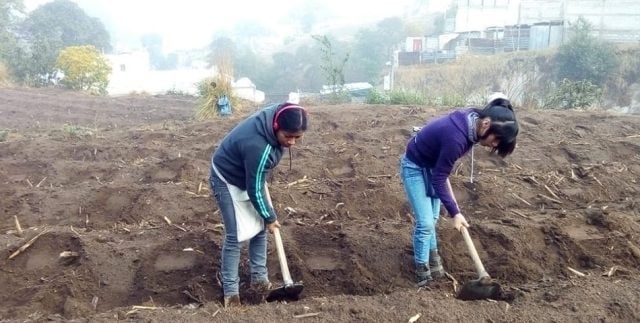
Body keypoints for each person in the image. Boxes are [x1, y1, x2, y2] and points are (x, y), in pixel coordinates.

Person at [400, 93, 518, 287]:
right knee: (426, 223)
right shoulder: (457, 138)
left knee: (434, 220)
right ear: (487, 124)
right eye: (497, 140)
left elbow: (441, 174)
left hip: (432, 166)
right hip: (414, 167)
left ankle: (434, 260)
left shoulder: (473, 122)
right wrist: (455, 212)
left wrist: (455, 210)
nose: (494, 146)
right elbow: (440, 179)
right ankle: (422, 271)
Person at [209, 102, 308, 307]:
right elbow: (253, 188)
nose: (292, 142)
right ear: (276, 128)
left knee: (259, 228)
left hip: (249, 173)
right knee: (235, 236)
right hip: (226, 177)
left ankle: (260, 282)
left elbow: (256, 181)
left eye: (297, 137)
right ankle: (231, 293)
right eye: (288, 136)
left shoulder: (281, 115)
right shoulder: (258, 147)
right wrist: (270, 217)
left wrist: (265, 217)